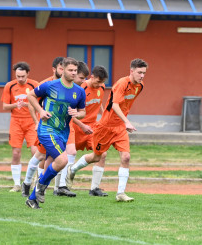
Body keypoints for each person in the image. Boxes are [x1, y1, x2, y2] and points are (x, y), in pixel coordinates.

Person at [67, 59, 147, 203]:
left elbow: (115, 105)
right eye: (139, 72)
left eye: (144, 73)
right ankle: (72, 170)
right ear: (132, 71)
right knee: (97, 157)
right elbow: (115, 105)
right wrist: (126, 121)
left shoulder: (140, 86)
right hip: (104, 127)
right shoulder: (121, 84)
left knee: (126, 157)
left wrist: (123, 122)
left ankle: (120, 193)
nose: (142, 76)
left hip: (119, 128)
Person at [24, 57, 86, 209]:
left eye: (75, 71)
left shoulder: (79, 91)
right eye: (70, 70)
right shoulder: (50, 85)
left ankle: (32, 199)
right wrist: (41, 111)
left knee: (50, 165)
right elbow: (30, 95)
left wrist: (77, 114)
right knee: (63, 160)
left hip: (63, 132)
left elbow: (83, 111)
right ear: (62, 70)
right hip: (47, 129)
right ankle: (40, 186)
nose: (73, 73)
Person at [21, 56, 64, 196]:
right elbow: (31, 102)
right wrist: (36, 122)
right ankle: (29, 184)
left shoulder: (67, 85)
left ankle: (45, 187)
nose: (64, 71)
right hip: (46, 127)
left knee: (52, 156)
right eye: (61, 68)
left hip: (61, 128)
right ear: (54, 69)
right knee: (40, 156)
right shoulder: (46, 84)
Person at [67, 65, 109, 196]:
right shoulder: (81, 88)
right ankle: (60, 187)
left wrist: (104, 117)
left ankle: (94, 188)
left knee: (102, 154)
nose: (99, 85)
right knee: (67, 155)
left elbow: (98, 102)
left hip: (93, 127)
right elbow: (70, 112)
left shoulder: (101, 87)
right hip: (77, 126)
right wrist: (82, 126)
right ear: (92, 77)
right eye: (98, 81)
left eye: (102, 82)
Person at [53, 60, 90, 196]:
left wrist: (79, 116)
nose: (82, 80)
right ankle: (30, 183)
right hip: (53, 125)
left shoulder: (79, 90)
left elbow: (80, 111)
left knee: (70, 152)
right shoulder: (54, 86)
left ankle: (61, 186)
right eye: (80, 77)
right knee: (43, 157)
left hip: (68, 125)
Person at [1, 62, 39, 192]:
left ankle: (35, 181)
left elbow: (40, 102)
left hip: (31, 121)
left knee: (36, 151)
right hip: (16, 122)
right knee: (16, 153)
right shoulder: (9, 86)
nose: (20, 79)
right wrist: (16, 105)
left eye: (23, 76)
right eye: (18, 76)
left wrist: (29, 105)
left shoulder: (35, 85)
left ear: (28, 74)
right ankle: (17, 184)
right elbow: (5, 106)